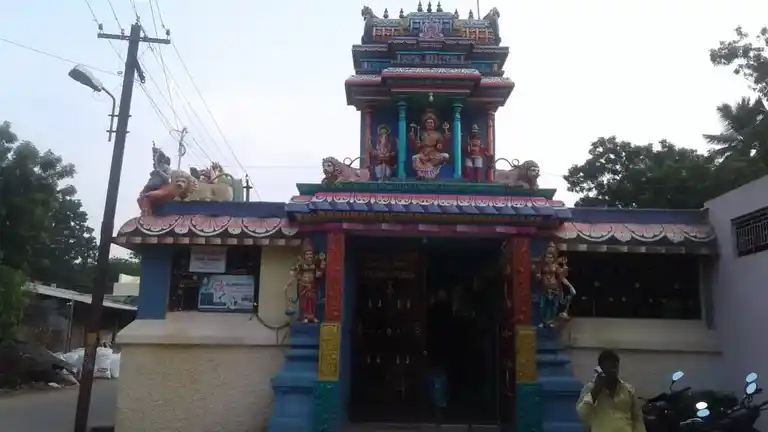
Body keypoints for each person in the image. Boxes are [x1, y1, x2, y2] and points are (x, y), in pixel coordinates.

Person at [576, 349, 646, 432]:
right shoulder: (590, 389)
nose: (613, 373)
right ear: (601, 370)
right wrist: (595, 391)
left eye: (615, 369)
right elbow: (582, 415)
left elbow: (637, 420)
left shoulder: (628, 390)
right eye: (608, 370)